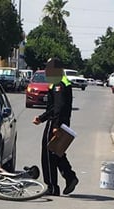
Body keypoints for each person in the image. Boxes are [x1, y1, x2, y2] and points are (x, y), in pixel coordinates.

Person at [32, 57, 78, 196]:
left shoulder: (59, 84)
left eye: (49, 69)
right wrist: (41, 118)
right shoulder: (57, 83)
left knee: (48, 154)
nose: (47, 71)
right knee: (56, 152)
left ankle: (52, 186)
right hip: (57, 122)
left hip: (56, 123)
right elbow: (52, 108)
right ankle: (70, 177)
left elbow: (59, 107)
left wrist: (56, 126)